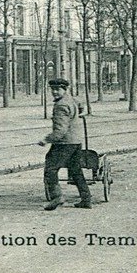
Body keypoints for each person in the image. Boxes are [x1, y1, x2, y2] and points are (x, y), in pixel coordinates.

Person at [39, 77, 92, 210]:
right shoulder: (70, 99)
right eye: (53, 89)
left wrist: (46, 139)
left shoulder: (61, 106)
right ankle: (86, 199)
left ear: (64, 89)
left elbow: (60, 130)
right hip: (76, 141)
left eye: (58, 89)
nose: (55, 92)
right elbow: (80, 106)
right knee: (75, 170)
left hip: (64, 143)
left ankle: (57, 197)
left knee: (50, 169)